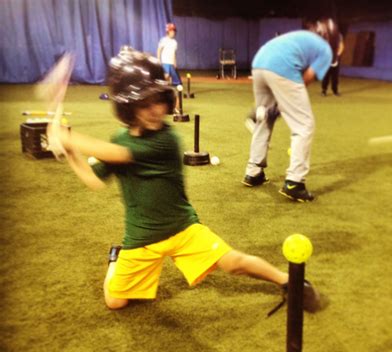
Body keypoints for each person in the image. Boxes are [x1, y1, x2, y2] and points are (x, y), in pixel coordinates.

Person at [47, 48, 320, 312]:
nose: (154, 109)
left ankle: (289, 281)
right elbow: (93, 179)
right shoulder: (119, 139)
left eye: (158, 100)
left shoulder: (166, 140)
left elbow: (119, 154)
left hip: (182, 228)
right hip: (142, 237)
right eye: (144, 103)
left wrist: (67, 137)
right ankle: (115, 261)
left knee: (233, 263)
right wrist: (70, 150)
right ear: (127, 107)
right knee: (115, 302)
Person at [242, 19, 339, 203]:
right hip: (282, 67)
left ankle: (253, 172)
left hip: (259, 63)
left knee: (264, 120)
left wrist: (279, 107)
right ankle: (295, 182)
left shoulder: (304, 37)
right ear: (331, 38)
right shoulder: (325, 50)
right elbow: (306, 79)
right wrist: (284, 106)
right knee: (304, 124)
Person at [321, 20, 344, 96]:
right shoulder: (325, 35)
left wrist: (338, 54)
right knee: (326, 75)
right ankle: (324, 90)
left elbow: (341, 45)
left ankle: (335, 91)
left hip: (335, 58)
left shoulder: (339, 35)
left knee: (335, 76)